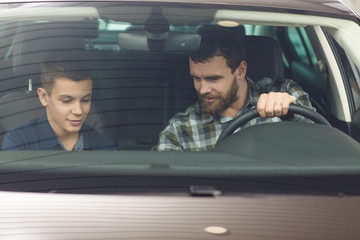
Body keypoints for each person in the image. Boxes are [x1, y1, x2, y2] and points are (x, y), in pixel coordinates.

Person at [155, 27, 315, 151]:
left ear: (240, 71)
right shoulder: (181, 130)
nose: (202, 89)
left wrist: (291, 114)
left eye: (213, 78)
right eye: (196, 78)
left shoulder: (285, 91)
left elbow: (322, 148)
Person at [2, 52, 117, 150]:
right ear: (44, 97)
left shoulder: (105, 148)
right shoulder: (20, 142)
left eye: (85, 100)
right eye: (67, 101)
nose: (78, 111)